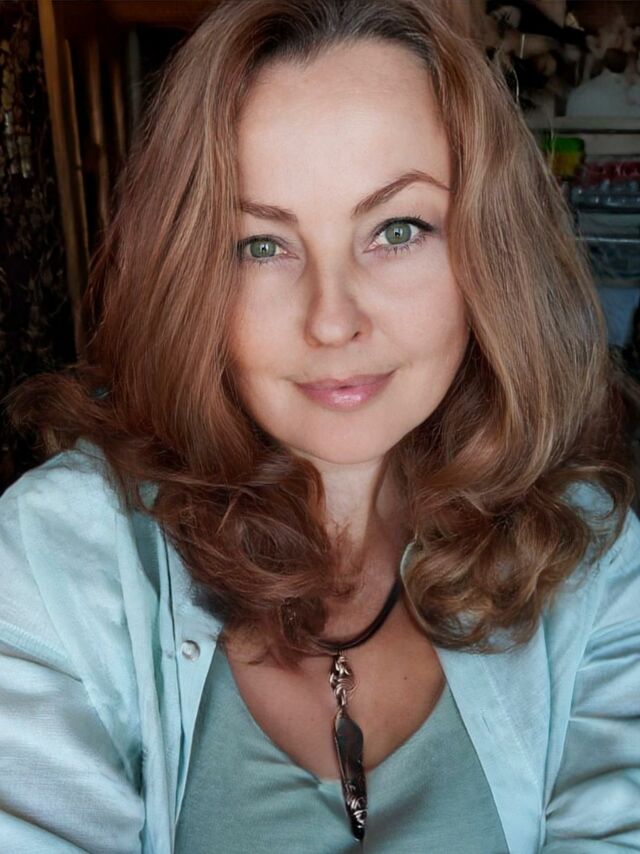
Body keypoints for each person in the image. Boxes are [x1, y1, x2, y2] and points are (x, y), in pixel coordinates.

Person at [1, 0, 639, 851]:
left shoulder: (589, 553)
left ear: (491, 252)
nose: (332, 321)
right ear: (189, 275)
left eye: (397, 230)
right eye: (261, 245)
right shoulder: (56, 554)